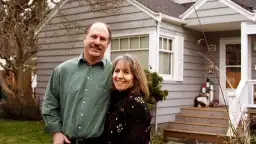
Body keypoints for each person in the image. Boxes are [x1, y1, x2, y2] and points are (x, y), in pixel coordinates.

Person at [42, 22, 113, 144]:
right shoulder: (62, 70)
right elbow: (50, 103)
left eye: (103, 39)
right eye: (93, 36)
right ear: (84, 38)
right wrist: (56, 132)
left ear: (108, 44)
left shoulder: (114, 75)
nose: (97, 42)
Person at [105, 54, 151, 144]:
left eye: (126, 72)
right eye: (117, 71)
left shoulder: (136, 104)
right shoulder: (115, 98)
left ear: (135, 77)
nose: (119, 76)